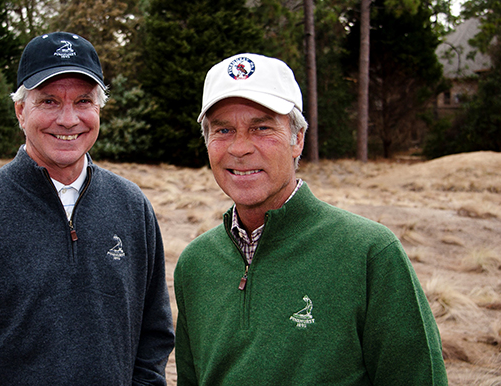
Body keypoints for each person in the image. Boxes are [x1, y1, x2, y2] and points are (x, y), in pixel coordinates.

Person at [0, 32, 174, 385]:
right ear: (20, 110)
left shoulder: (132, 207)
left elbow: (153, 339)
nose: (68, 119)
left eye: (83, 101)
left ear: (99, 109)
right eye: (48, 101)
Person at [173, 53, 447, 385]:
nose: (240, 147)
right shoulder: (195, 264)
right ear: (207, 141)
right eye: (224, 129)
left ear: (297, 139)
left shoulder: (369, 253)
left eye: (262, 127)